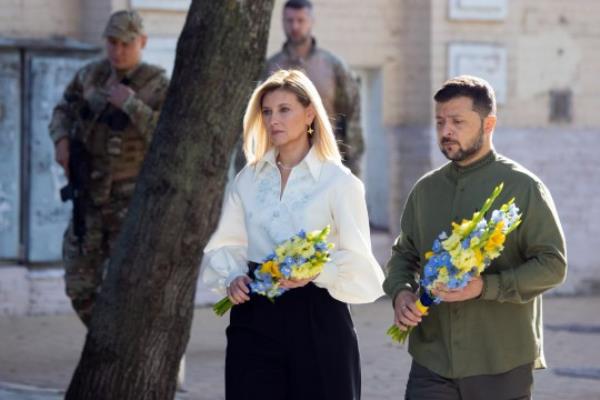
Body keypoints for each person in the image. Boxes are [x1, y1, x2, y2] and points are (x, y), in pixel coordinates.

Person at [201, 69, 384, 400]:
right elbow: (226, 244)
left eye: (285, 109)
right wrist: (233, 277)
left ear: (310, 113)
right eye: (267, 111)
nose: (274, 120)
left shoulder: (340, 183)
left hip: (319, 317)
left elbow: (361, 265)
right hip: (254, 317)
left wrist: (317, 271)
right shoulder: (248, 180)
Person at [382, 75, 567, 400]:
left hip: (500, 361)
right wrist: (401, 294)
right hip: (431, 361)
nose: (446, 131)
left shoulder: (523, 188)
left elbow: (553, 265)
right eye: (440, 121)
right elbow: (403, 255)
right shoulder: (425, 190)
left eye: (457, 121)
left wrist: (485, 286)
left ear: (489, 123)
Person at [48, 10, 169, 326]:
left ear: (142, 42)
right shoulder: (91, 75)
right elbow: (63, 109)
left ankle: (124, 342)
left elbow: (169, 136)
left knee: (129, 282)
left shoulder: (156, 84)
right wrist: (61, 140)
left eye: (126, 43)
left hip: (129, 199)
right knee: (79, 282)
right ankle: (104, 337)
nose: (118, 51)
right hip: (88, 194)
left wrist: (131, 104)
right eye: (112, 42)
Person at [264, 0, 364, 175]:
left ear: (311, 22)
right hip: (280, 169)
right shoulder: (271, 68)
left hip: (325, 164)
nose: (295, 26)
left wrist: (351, 164)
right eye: (289, 20)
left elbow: (351, 112)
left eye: (300, 20)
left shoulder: (332, 66)